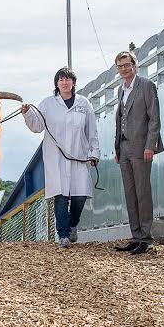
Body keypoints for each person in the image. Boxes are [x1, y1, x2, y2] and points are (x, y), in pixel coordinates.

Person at [21, 67, 99, 248]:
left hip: (79, 156)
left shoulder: (84, 104)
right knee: (61, 196)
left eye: (68, 79)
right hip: (56, 158)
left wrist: (94, 153)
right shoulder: (47, 104)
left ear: (73, 83)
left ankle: (72, 224)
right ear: (56, 83)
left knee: (80, 196)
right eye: (61, 79)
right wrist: (27, 113)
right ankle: (63, 234)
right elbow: (37, 126)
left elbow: (92, 130)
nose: (64, 82)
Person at [112, 50, 163, 255]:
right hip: (123, 148)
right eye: (120, 66)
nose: (124, 69)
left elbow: (154, 118)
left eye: (127, 65)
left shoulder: (146, 86)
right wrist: (117, 147)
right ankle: (136, 236)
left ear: (134, 65)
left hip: (142, 147)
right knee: (130, 193)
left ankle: (146, 238)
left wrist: (150, 145)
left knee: (143, 192)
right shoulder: (121, 90)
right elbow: (120, 119)